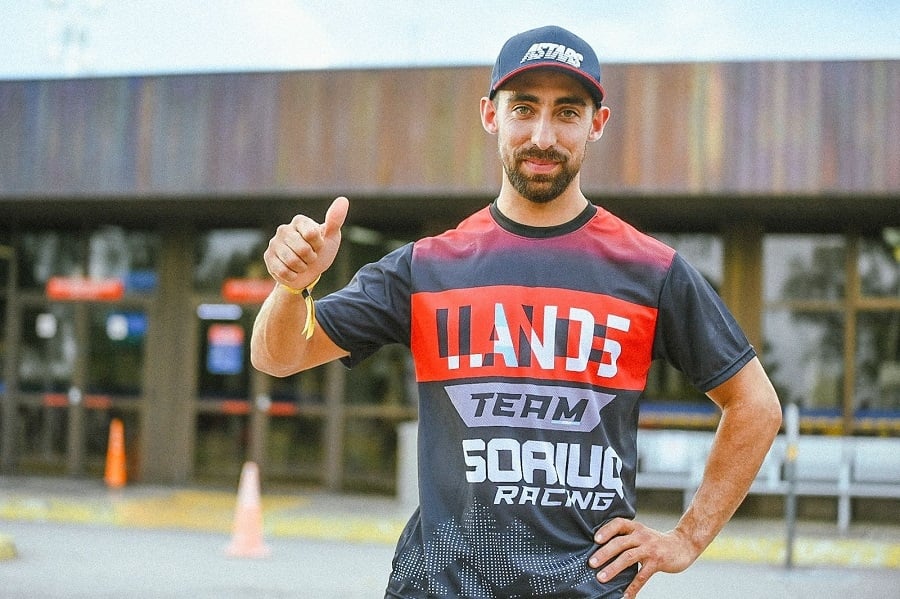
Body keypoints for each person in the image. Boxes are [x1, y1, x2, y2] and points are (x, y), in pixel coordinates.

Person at [251, 25, 782, 599]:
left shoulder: (649, 270)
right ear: (491, 115)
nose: (543, 136)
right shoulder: (428, 266)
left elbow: (755, 406)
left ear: (597, 123)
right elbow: (278, 356)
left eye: (567, 112)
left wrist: (687, 538)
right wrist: (291, 287)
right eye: (523, 109)